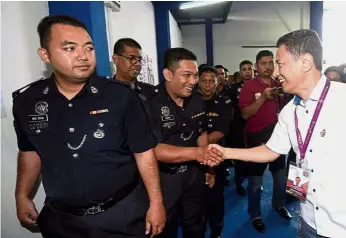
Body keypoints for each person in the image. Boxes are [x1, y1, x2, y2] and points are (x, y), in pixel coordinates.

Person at [206, 29, 346, 238]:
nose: (276, 72)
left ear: (305, 62)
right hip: (310, 224)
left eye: (280, 63)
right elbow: (271, 150)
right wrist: (225, 152)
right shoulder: (290, 111)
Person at [12, 15, 165, 237]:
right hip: (61, 221)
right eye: (70, 48)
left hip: (120, 215)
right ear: (45, 55)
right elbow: (29, 152)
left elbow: (144, 153)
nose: (83, 56)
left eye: (89, 48)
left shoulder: (120, 96)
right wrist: (22, 196)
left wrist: (156, 203)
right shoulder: (28, 102)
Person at [142, 47, 222, 238]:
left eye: (195, 75)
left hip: (194, 176)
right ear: (167, 74)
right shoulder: (149, 103)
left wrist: (207, 166)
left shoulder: (197, 99)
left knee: (196, 225)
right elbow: (153, 150)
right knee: (164, 229)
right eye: (187, 75)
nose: (194, 81)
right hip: (164, 180)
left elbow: (201, 134)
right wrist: (196, 154)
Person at [238, 50, 291, 233]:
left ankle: (278, 204)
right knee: (255, 182)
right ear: (256, 65)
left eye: (271, 63)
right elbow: (245, 114)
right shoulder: (249, 86)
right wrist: (263, 98)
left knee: (280, 178)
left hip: (277, 138)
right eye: (263, 63)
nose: (268, 67)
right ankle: (255, 214)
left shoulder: (279, 84)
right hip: (256, 139)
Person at [198, 65, 233, 238]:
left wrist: (197, 145)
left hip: (215, 156)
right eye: (204, 81)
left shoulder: (224, 101)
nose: (208, 85)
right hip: (194, 159)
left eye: (212, 81)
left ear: (217, 81)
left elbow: (221, 131)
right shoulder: (191, 100)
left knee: (215, 196)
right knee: (196, 197)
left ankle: (216, 230)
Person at [226, 60, 254, 196]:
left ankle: (254, 183)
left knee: (254, 157)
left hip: (255, 126)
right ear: (240, 72)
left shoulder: (259, 87)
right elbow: (229, 111)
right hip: (238, 127)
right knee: (240, 158)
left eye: (250, 68)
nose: (247, 71)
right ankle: (239, 183)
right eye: (244, 69)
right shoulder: (232, 89)